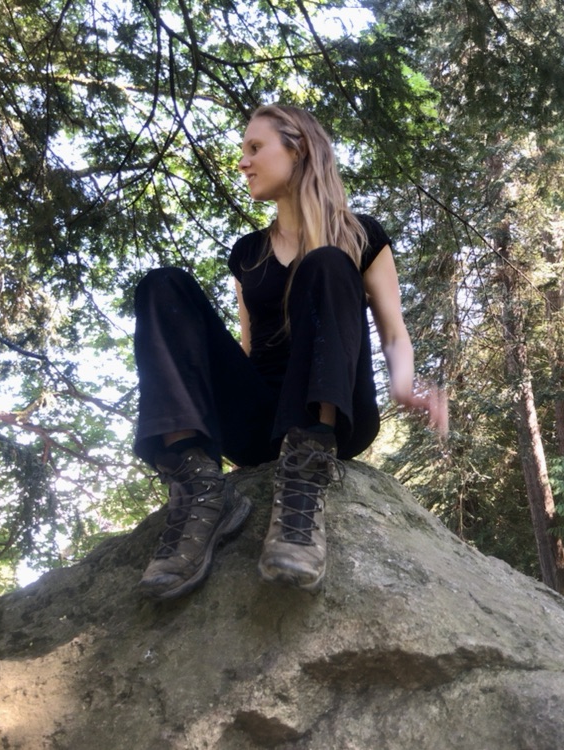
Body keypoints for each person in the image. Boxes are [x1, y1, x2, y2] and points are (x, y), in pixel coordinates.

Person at [132, 104, 447, 601]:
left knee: (325, 263)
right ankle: (198, 491)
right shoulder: (247, 252)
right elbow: (249, 345)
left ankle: (304, 476)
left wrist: (404, 387)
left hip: (335, 416)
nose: (243, 162)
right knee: (161, 285)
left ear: (297, 149)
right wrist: (234, 433)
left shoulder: (362, 235)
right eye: (243, 152)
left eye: (255, 148)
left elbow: (392, 332)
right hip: (261, 425)